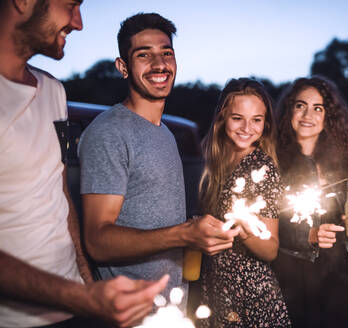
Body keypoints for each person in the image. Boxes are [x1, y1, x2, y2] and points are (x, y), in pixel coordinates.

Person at [0, 1, 169, 327]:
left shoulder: (53, 91)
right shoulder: (109, 131)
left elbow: (60, 194)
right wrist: (79, 296)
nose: (78, 23)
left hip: (76, 308)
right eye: (70, 5)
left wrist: (87, 286)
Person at [78, 13, 239, 309]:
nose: (159, 65)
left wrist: (191, 228)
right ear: (123, 67)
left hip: (169, 307)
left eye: (167, 53)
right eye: (144, 55)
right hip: (130, 311)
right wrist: (183, 233)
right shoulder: (109, 132)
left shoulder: (164, 132)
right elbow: (98, 241)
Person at [272, 76, 348, 328]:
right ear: (288, 110)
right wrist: (308, 235)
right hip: (294, 279)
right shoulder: (271, 161)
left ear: (329, 116)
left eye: (318, 108)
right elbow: (263, 224)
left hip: (341, 279)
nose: (308, 115)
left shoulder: (345, 160)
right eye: (300, 105)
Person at [197, 78, 291, 327]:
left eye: (256, 119)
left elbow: (270, 249)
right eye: (237, 118)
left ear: (265, 123)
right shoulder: (215, 161)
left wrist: (243, 225)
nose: (246, 128)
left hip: (250, 295)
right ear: (222, 118)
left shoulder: (262, 168)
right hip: (217, 288)